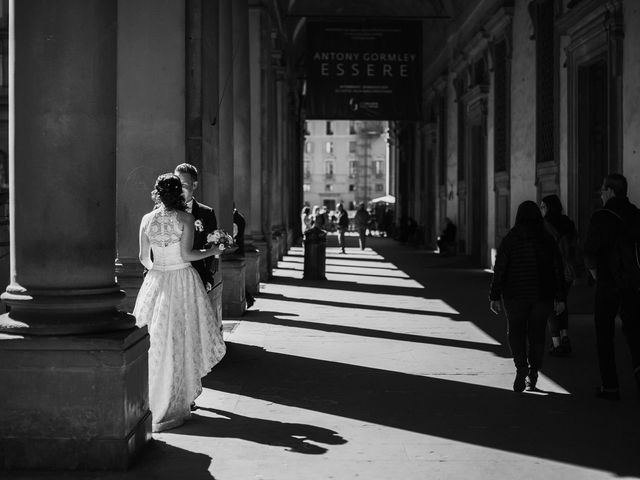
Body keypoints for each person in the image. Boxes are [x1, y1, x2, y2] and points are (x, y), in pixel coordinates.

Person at [133, 173, 226, 432]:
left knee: (156, 340)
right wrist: (213, 251)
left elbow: (143, 257)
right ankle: (176, 400)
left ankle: (151, 399)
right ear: (179, 193)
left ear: (157, 193)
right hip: (183, 280)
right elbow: (187, 254)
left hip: (156, 281)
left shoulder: (146, 219)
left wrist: (158, 272)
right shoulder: (186, 218)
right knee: (181, 338)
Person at [489, 201, 566, 393]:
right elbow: (558, 270)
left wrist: (495, 295)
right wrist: (560, 296)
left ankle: (521, 367)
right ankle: (533, 374)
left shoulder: (510, 239)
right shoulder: (547, 240)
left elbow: (500, 269)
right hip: (542, 295)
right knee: (537, 335)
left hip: (515, 295)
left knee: (515, 332)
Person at [583, 173, 640, 400]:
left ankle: (610, 386)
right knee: (635, 330)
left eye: (603, 189)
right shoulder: (636, 214)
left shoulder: (601, 217)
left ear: (610, 191)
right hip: (634, 283)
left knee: (604, 334)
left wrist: (597, 275)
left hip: (607, 284)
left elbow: (589, 254)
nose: (601, 193)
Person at [540, 194, 578, 356]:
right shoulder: (568, 223)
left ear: (549, 207)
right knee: (562, 302)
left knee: (550, 306)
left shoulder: (544, 225)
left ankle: (556, 345)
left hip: (551, 271)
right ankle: (564, 337)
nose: (541, 209)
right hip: (568, 271)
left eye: (542, 206)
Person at [174, 163, 218, 292]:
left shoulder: (207, 213)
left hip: (196, 277)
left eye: (183, 185)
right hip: (167, 275)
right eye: (176, 184)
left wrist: (208, 277)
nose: (178, 189)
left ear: (194, 185)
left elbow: (210, 247)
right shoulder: (161, 211)